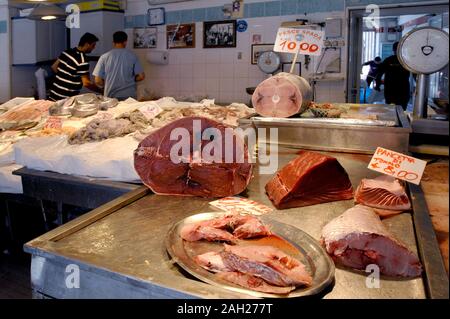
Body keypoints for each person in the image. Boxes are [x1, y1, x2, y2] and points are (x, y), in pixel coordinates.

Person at [48, 32, 102, 101]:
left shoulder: (67, 51)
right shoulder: (82, 60)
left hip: (53, 94)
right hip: (65, 99)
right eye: (93, 45)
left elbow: (54, 67)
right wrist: (101, 91)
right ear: (86, 44)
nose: (94, 48)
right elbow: (86, 83)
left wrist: (64, 78)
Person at [93, 31, 145, 100]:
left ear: (113, 42)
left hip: (110, 96)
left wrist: (108, 84)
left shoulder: (104, 57)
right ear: (125, 42)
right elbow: (141, 76)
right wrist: (132, 79)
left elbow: (97, 80)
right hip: (129, 96)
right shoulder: (133, 56)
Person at [376, 42, 411, 110]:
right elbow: (415, 75)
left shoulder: (388, 60)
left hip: (390, 89)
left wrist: (377, 85)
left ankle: (393, 119)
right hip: (403, 89)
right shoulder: (406, 60)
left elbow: (379, 74)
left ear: (393, 50)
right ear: (402, 49)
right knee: (402, 109)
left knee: (390, 109)